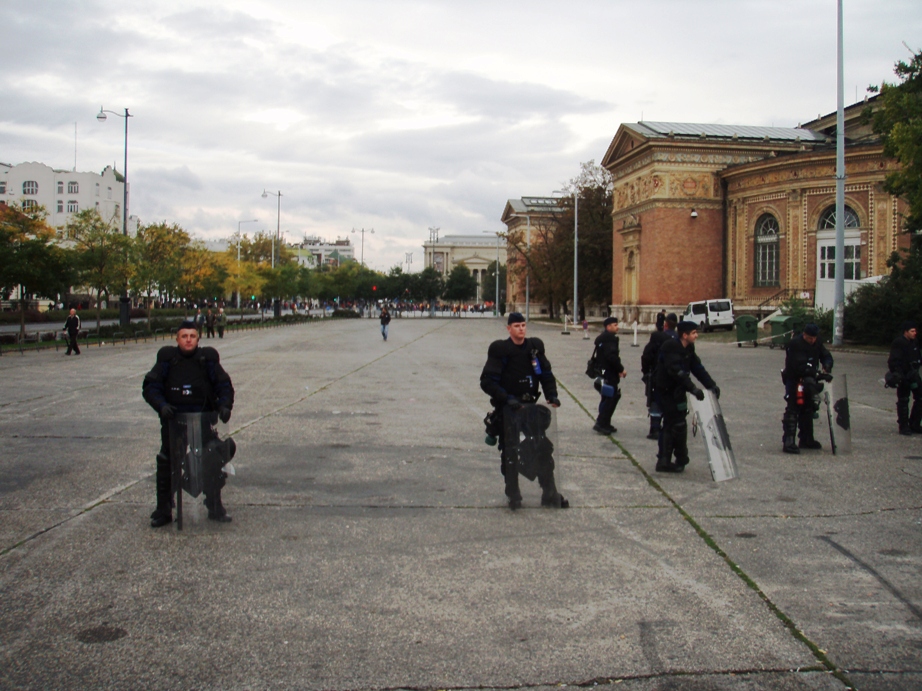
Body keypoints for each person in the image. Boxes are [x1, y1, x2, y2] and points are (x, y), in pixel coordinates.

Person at [142, 321, 235, 527]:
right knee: (167, 461)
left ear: (198, 339)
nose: (188, 340)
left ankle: (214, 505)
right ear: (177, 339)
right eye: (184, 336)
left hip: (202, 421)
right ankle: (164, 510)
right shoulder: (168, 360)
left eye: (192, 336)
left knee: (214, 455)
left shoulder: (207, 360)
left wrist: (224, 405)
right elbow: (151, 386)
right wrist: (161, 405)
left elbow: (223, 385)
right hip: (174, 422)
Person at [480, 312, 566, 510]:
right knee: (510, 452)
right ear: (508, 328)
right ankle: (514, 494)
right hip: (509, 409)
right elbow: (487, 381)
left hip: (531, 408)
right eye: (516, 326)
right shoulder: (500, 349)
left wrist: (551, 394)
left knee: (542, 448)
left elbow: (546, 373)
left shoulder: (534, 347)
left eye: (523, 325)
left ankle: (549, 491)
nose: (521, 329)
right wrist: (506, 398)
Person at [653, 320, 719, 473]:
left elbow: (697, 367)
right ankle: (665, 460)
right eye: (694, 333)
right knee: (673, 425)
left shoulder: (688, 348)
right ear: (684, 335)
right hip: (665, 392)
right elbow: (676, 371)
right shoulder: (670, 347)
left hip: (678, 391)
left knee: (678, 424)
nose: (696, 335)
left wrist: (711, 385)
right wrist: (693, 389)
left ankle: (678, 458)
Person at [781, 323, 834, 453]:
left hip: (809, 379)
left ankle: (806, 439)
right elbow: (798, 364)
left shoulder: (817, 342)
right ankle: (788, 442)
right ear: (804, 335)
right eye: (810, 338)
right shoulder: (795, 344)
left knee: (808, 408)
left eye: (814, 338)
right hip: (794, 378)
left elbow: (826, 355)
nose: (812, 340)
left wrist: (827, 366)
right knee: (793, 408)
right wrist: (816, 374)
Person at [641, 312, 678, 440]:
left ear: (665, 325)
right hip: (676, 376)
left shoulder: (658, 338)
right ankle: (672, 426)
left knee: (656, 401)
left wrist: (646, 373)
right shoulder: (679, 338)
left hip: (658, 375)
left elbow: (646, 357)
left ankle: (655, 427)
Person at [592, 317, 627, 434]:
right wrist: (621, 369)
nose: (617, 327)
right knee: (610, 398)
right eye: (615, 325)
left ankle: (605, 422)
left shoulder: (603, 338)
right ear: (608, 327)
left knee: (607, 397)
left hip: (603, 372)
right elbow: (611, 357)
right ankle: (601, 423)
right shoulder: (609, 339)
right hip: (609, 373)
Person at [887, 321, 921, 435]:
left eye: (915, 331)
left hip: (913, 375)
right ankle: (904, 426)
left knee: (920, 398)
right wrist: (900, 375)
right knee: (903, 400)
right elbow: (893, 362)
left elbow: (917, 358)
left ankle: (915, 424)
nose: (914, 333)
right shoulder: (899, 342)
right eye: (912, 331)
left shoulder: (915, 342)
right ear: (906, 331)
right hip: (903, 376)